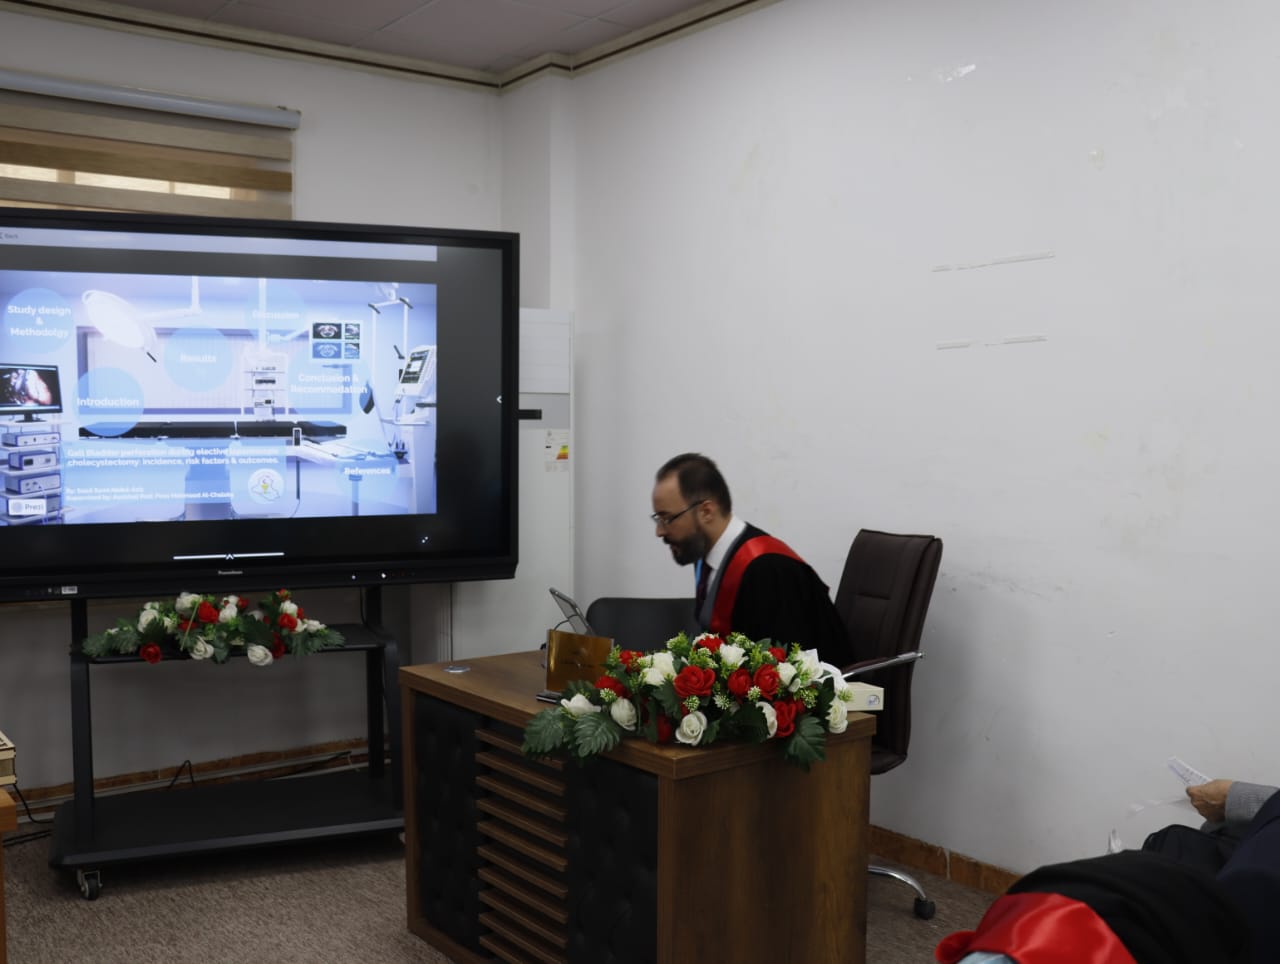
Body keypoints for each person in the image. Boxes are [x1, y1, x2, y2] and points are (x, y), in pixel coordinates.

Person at [650, 452, 853, 666]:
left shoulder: (769, 569)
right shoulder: (708, 561)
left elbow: (788, 671)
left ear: (706, 512)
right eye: (658, 519)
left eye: (667, 518)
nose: (659, 531)